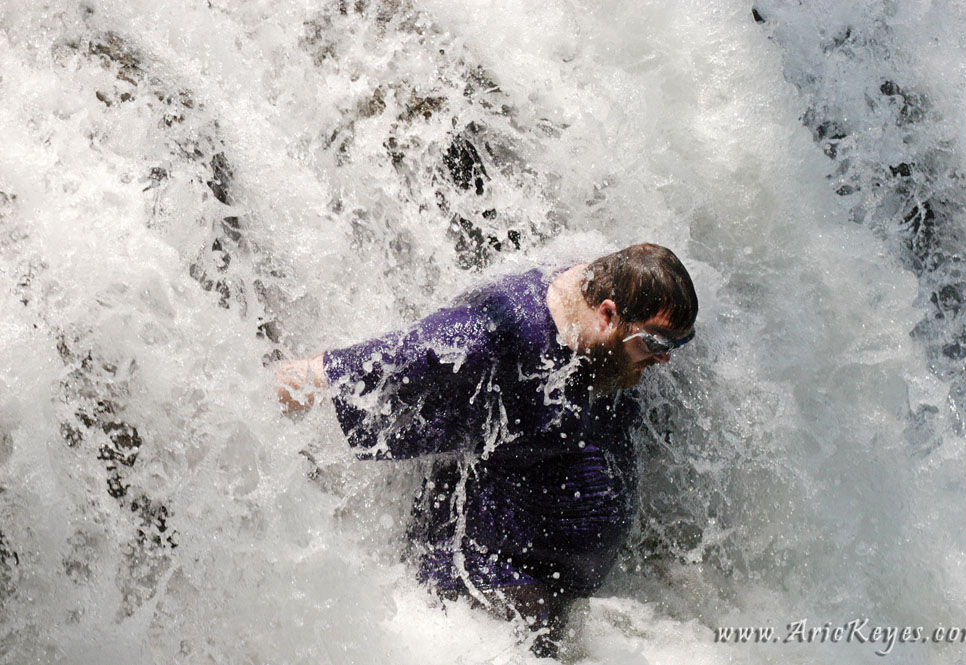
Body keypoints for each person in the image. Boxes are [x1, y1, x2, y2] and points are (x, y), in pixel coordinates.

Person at [275, 243, 698, 657]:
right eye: (658, 345)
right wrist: (237, 410)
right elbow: (336, 374)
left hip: (560, 600)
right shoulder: (489, 338)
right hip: (480, 601)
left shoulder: (604, 325)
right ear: (607, 313)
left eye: (680, 346)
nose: (665, 360)